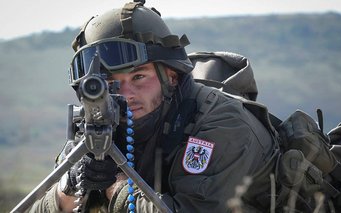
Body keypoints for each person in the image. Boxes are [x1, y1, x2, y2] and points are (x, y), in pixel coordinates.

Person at [28, 1, 276, 212]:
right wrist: (68, 187)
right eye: (111, 83)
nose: (126, 94)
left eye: (138, 77)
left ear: (171, 76)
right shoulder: (98, 125)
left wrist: (116, 186)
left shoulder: (222, 125)